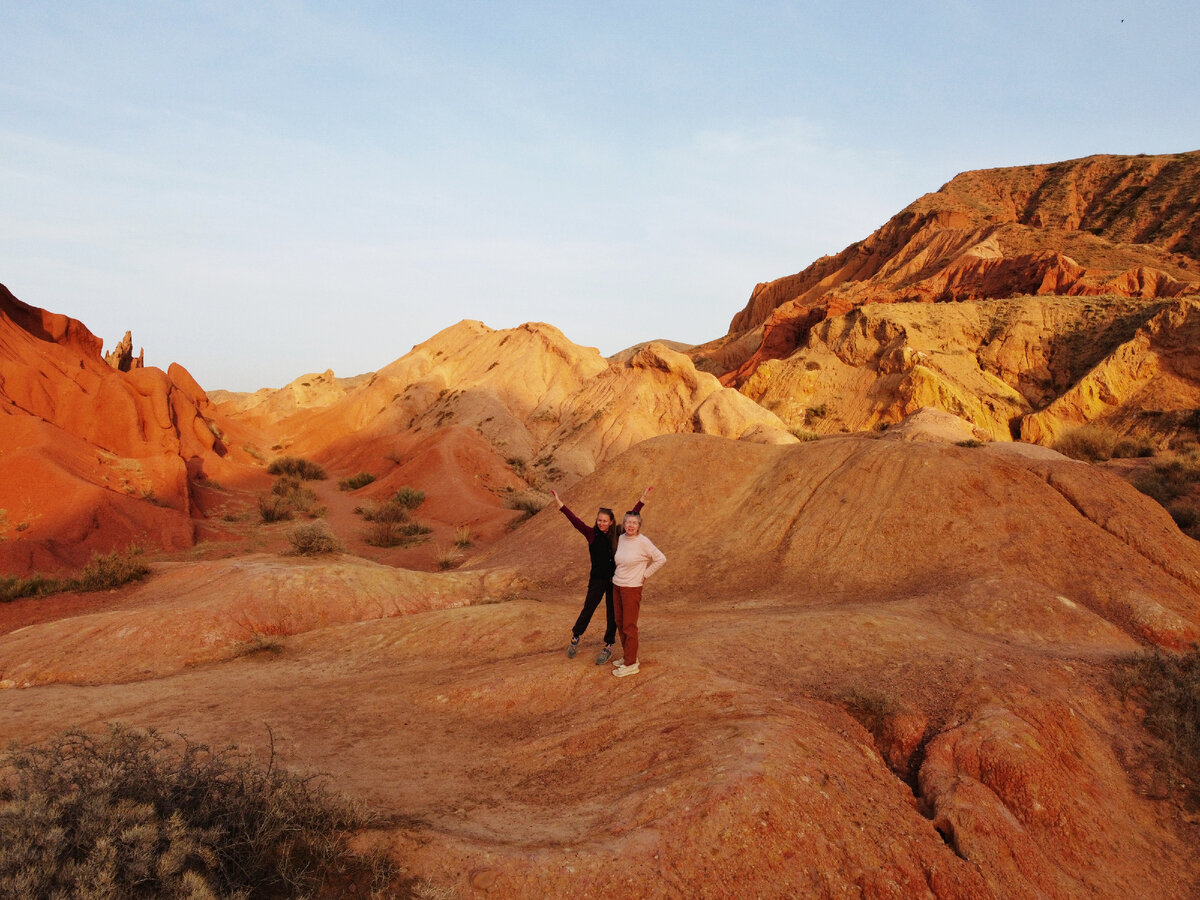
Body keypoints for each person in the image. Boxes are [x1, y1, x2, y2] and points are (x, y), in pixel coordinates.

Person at [550, 486, 653, 665]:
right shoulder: (591, 534)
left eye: (605, 521)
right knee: (588, 608)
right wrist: (560, 504)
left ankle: (607, 646)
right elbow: (574, 521)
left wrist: (642, 499)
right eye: (599, 520)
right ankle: (575, 637)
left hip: (614, 580)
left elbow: (632, 517)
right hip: (597, 580)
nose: (601, 523)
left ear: (611, 522)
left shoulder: (618, 534)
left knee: (612, 614)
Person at [611, 509, 666, 678]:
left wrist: (645, 575)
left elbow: (661, 559)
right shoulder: (621, 538)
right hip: (617, 585)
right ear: (624, 523)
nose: (630, 525)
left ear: (639, 525)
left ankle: (631, 664)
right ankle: (628, 656)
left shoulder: (643, 542)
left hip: (631, 589)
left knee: (629, 625)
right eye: (628, 522)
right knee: (619, 622)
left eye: (634, 523)